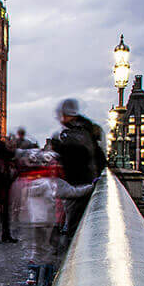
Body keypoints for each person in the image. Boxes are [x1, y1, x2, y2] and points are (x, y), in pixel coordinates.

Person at [14, 150, 93, 286]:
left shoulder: (31, 181)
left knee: (34, 251)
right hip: (51, 221)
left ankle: (32, 278)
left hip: (34, 221)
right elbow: (74, 193)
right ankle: (47, 281)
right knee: (50, 251)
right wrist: (91, 186)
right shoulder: (55, 183)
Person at [49, 98, 106, 239]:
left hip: (79, 184)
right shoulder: (89, 129)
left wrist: (59, 148)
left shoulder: (73, 134)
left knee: (75, 228)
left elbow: (76, 157)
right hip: (87, 181)